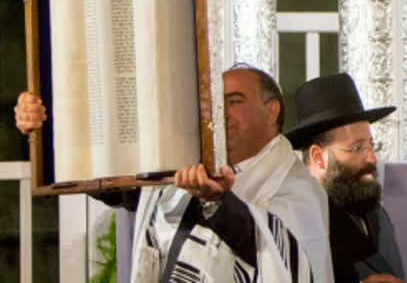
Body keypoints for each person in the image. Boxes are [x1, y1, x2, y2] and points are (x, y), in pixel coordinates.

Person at [15, 64, 333, 283]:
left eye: (234, 101)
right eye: (214, 103)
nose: (220, 113)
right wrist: (47, 127)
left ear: (271, 110)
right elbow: (115, 183)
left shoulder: (298, 188)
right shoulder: (188, 167)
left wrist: (218, 201)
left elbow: (285, 259)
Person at [286, 72, 406, 283]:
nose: (371, 157)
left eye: (371, 145)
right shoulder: (291, 221)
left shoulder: (377, 216)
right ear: (318, 157)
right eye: (357, 148)